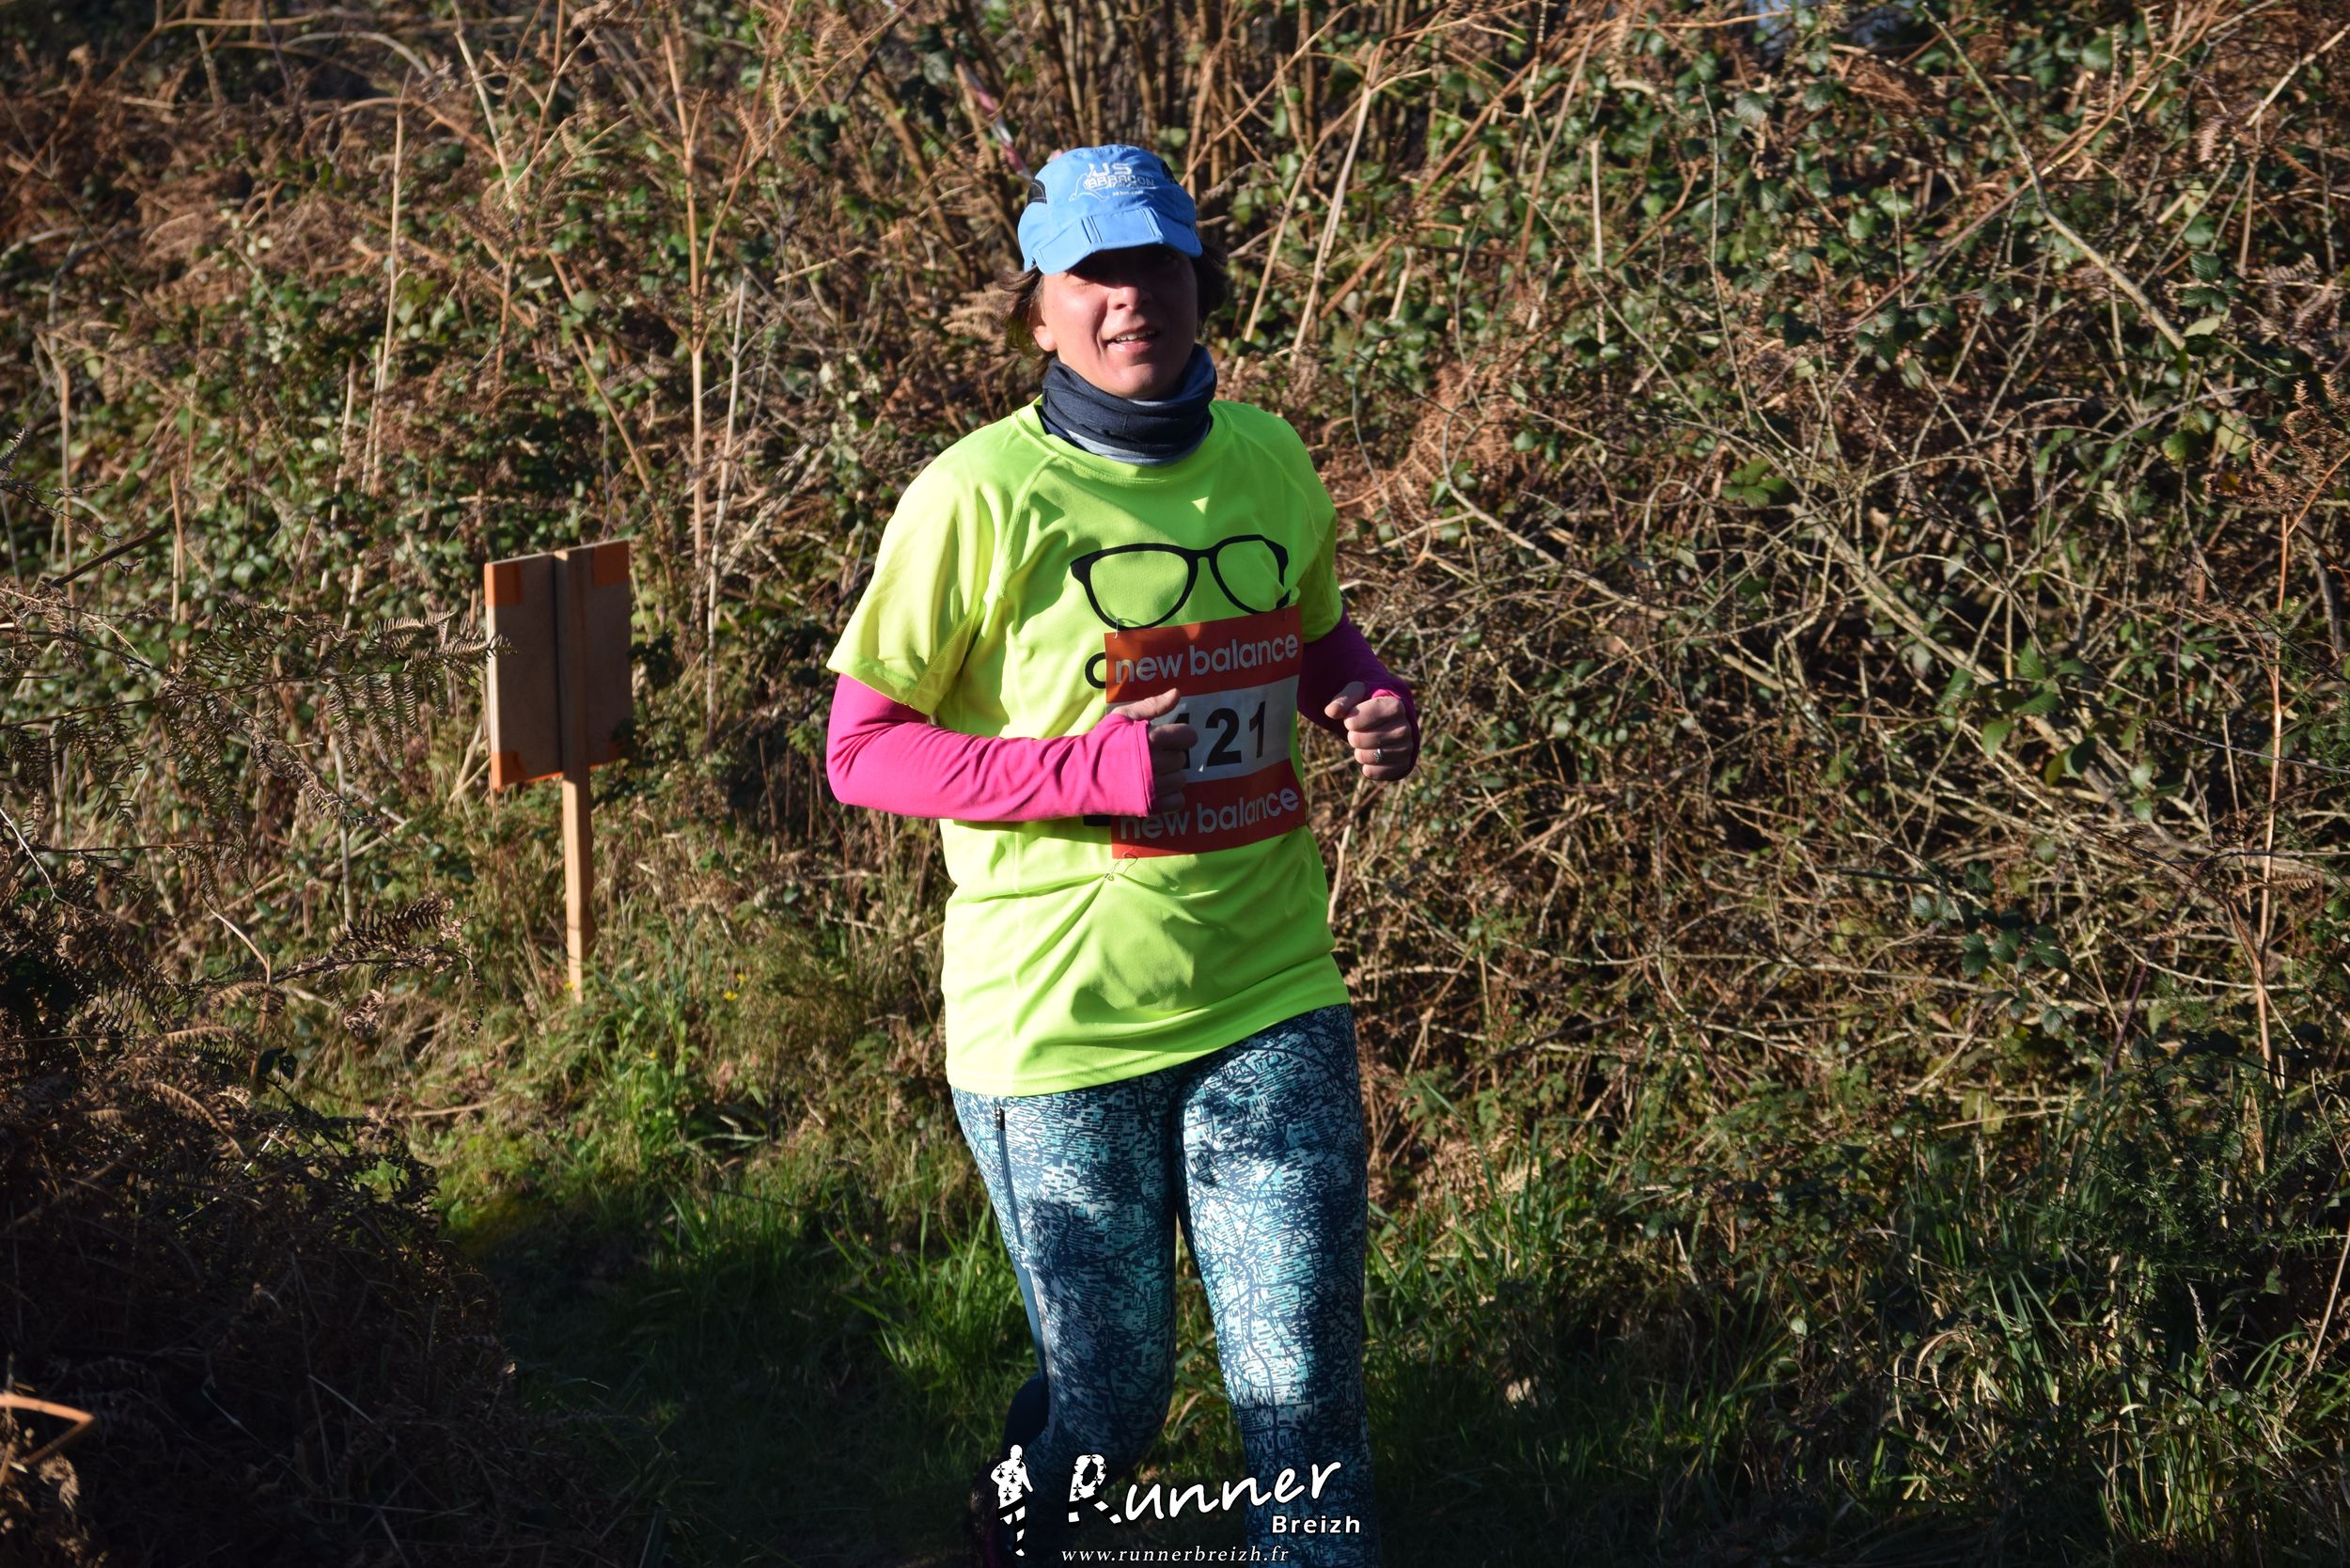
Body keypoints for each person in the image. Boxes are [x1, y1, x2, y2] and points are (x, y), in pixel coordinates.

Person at [822, 143, 1419, 1566]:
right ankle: (1017, 1528)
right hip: (1056, 1022)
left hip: (1268, 980)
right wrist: (1088, 769)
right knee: (1112, 1400)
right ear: (1040, 310)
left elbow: (1309, 634)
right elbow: (861, 751)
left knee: (1302, 1383)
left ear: (1198, 285)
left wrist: (1362, 695)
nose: (1129, 298)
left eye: (1155, 265)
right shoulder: (976, 495)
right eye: (1093, 274)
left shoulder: (1269, 457)